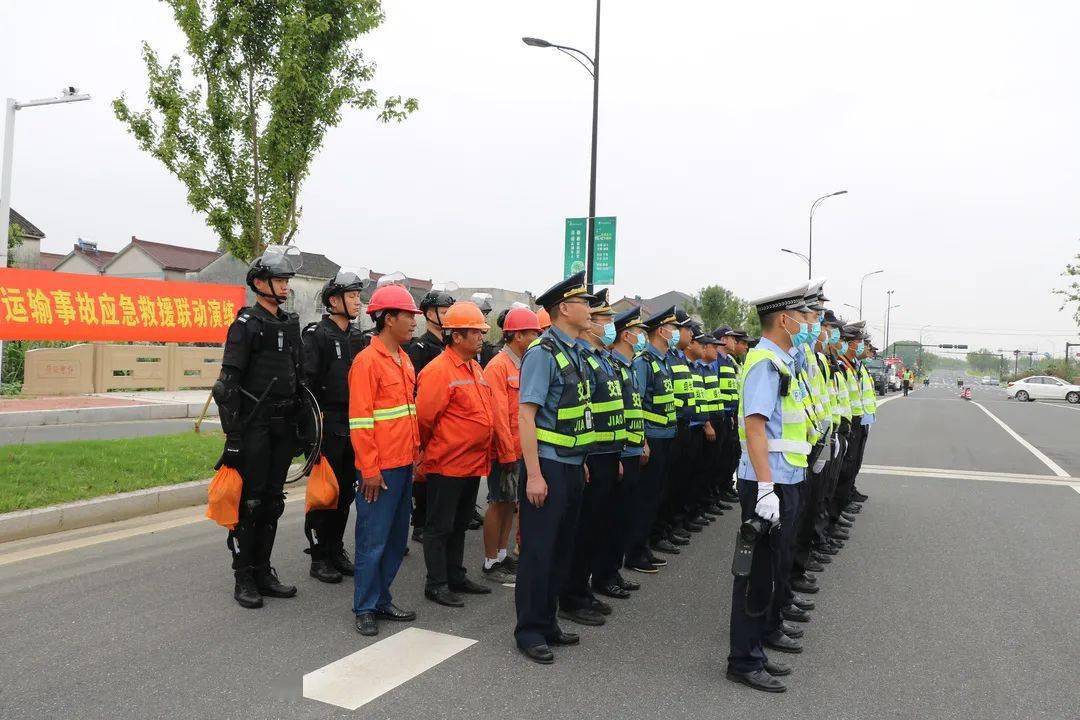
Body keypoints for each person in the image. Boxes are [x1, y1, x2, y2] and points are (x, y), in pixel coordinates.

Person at [726, 282, 813, 693]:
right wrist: (764, 488)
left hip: (785, 477)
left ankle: (756, 647)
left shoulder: (782, 360)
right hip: (769, 481)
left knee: (770, 571)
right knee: (755, 574)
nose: (806, 323)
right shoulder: (765, 362)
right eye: (801, 316)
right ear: (784, 319)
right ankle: (743, 659)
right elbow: (755, 427)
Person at [213, 246, 305, 609]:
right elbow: (226, 387)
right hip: (254, 426)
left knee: (272, 502)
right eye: (279, 280)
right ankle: (244, 575)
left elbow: (300, 379)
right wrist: (233, 437)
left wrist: (303, 426)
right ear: (259, 283)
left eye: (285, 280)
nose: (284, 286)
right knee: (250, 503)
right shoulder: (245, 325)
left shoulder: (288, 323)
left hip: (284, 425)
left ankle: (264, 570)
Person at [515, 271, 596, 664]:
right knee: (538, 552)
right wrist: (533, 474)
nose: (591, 309)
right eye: (585, 303)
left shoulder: (576, 351)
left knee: (562, 549)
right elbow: (526, 417)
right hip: (545, 467)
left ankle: (548, 622)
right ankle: (529, 630)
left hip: (570, 466)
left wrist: (579, 462)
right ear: (564, 308)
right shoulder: (541, 353)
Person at [414, 301, 503, 607]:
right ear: (456, 336)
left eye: (481, 331)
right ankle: (436, 583)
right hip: (447, 463)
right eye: (475, 332)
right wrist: (424, 454)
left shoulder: (474, 367)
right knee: (439, 527)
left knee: (460, 523)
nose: (482, 337)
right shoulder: (438, 371)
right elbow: (424, 419)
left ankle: (455, 574)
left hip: (470, 464)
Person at [347, 283, 422, 636]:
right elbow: (360, 422)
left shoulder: (403, 359)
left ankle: (381, 599)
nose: (413, 323)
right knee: (372, 539)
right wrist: (370, 470)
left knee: (395, 540)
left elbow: (409, 413)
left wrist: (416, 454)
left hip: (404, 464)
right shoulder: (366, 362)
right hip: (380, 469)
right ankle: (364, 606)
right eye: (408, 316)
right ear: (388, 319)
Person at [559, 289, 626, 626]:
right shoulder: (582, 358)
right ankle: (571, 595)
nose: (608, 325)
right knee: (582, 530)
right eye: (604, 319)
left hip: (606, 452)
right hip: (591, 453)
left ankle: (583, 590)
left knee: (596, 527)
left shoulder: (603, 358)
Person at [301, 269, 369, 584]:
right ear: (334, 300)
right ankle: (319, 556)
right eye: (352, 296)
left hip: (353, 423)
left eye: (358, 296)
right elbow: (307, 387)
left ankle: (336, 548)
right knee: (325, 493)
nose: (358, 302)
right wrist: (311, 434)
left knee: (346, 493)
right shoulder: (317, 335)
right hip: (327, 424)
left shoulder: (358, 338)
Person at [481, 305, 542, 584]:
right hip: (504, 451)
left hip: (518, 450)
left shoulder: (522, 363)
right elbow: (499, 416)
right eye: (532, 333)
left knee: (509, 505)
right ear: (517, 336)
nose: (535, 338)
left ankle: (503, 554)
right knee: (498, 503)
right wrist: (506, 452)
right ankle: (491, 560)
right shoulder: (498, 366)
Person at [594, 306, 648, 598]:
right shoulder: (611, 363)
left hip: (631, 448)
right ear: (626, 334)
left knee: (623, 515)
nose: (643, 337)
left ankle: (612, 570)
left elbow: (634, 408)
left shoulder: (627, 365)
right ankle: (603, 575)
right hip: (617, 451)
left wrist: (643, 442)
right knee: (611, 519)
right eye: (639, 331)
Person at [626, 306, 679, 573]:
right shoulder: (643, 362)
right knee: (644, 499)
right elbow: (637, 403)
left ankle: (644, 546)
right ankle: (635, 552)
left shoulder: (663, 360)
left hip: (667, 437)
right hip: (652, 440)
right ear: (661, 331)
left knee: (656, 497)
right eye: (673, 328)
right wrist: (643, 440)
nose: (677, 333)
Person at [405, 284, 457, 544]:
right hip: (428, 418)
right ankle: (420, 522)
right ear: (428, 314)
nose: (447, 316)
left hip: (450, 423)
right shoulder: (420, 349)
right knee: (424, 474)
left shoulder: (450, 348)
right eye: (443, 311)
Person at [470, 292, 499, 368]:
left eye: (486, 315)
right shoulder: (467, 346)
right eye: (483, 314)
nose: (485, 318)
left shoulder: (486, 348)